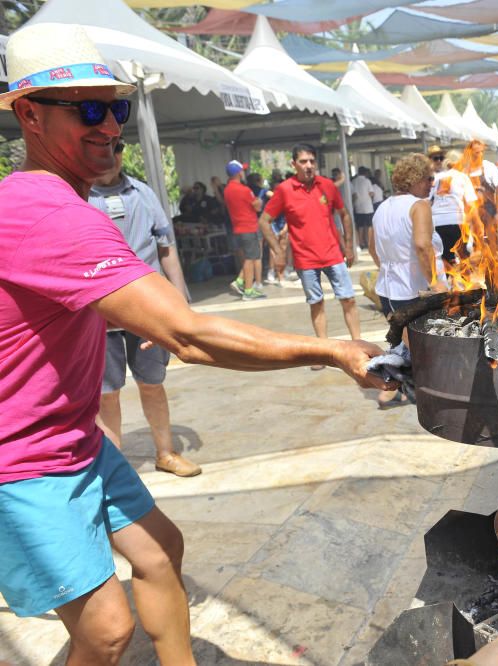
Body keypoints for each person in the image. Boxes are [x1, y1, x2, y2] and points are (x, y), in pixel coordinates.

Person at [0, 24, 393, 665]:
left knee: (160, 551)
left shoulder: (65, 204)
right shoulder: (46, 214)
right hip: (21, 460)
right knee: (102, 629)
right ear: (29, 116)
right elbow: (187, 333)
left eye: (117, 108)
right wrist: (334, 352)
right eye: (88, 110)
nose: (109, 127)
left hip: (74, 437)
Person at [88, 140, 200, 478]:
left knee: (152, 383)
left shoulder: (144, 194)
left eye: (116, 147)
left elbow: (167, 250)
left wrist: (179, 305)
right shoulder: (78, 196)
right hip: (99, 315)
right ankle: (116, 469)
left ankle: (166, 452)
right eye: (102, 147)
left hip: (148, 312)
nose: (110, 154)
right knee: (107, 393)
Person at [259, 144, 361, 370]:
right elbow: (264, 221)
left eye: (312, 161)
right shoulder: (285, 190)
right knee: (316, 303)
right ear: (293, 164)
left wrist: (348, 245)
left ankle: (358, 345)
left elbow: (344, 215)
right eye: (303, 162)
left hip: (333, 254)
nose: (308, 166)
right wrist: (277, 251)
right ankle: (322, 353)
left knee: (349, 299)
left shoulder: (327, 186)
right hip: (305, 259)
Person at [369, 153, 447, 407]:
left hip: (388, 289)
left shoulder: (382, 207)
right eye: (428, 178)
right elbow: (423, 246)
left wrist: (390, 268)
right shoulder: (418, 206)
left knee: (404, 342)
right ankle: (416, 392)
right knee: (422, 345)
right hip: (414, 288)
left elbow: (372, 248)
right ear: (414, 179)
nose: (431, 182)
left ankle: (393, 388)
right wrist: (435, 283)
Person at [223, 160, 266, 301]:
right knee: (250, 258)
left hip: (237, 228)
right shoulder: (245, 190)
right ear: (239, 173)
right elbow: (257, 207)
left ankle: (242, 283)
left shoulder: (227, 190)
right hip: (249, 227)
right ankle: (246, 288)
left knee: (249, 257)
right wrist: (259, 201)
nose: (244, 172)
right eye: (242, 170)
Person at [432, 149, 478, 266]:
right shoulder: (462, 177)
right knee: (463, 259)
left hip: (437, 222)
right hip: (456, 221)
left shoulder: (436, 177)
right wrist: (475, 226)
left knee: (445, 259)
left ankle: (448, 282)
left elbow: (428, 200)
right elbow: (471, 204)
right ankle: (460, 282)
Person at [352, 166, 375, 249]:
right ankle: (369, 242)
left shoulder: (353, 181)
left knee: (360, 226)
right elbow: (371, 193)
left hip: (358, 206)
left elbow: (353, 195)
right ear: (365, 173)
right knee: (369, 225)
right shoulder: (367, 181)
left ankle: (361, 242)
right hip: (368, 206)